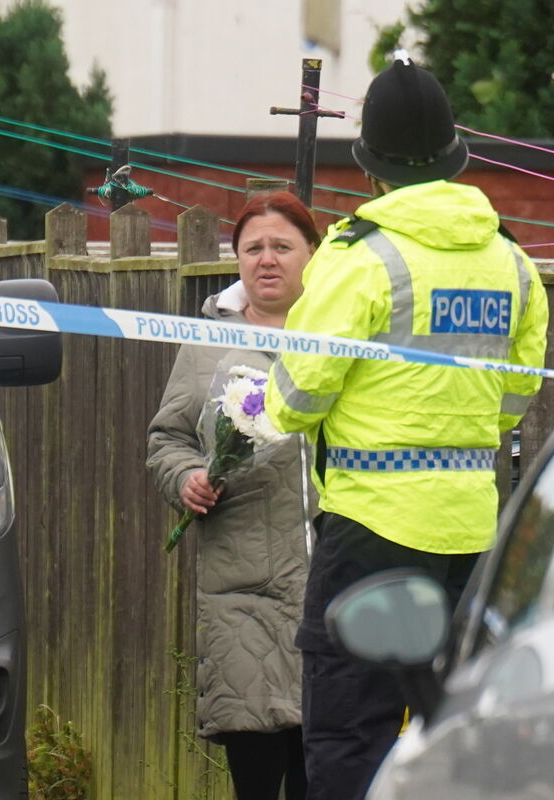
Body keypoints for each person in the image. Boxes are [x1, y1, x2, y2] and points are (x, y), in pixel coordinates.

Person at [265, 58, 549, 800]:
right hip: (470, 534)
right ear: (455, 157)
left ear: (371, 167)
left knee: (350, 735)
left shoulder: (360, 258)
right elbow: (515, 396)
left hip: (369, 530)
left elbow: (295, 399)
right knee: (453, 732)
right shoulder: (513, 264)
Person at [147, 190, 320, 800]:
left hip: (327, 578)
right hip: (242, 586)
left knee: (320, 763)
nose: (266, 260)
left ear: (312, 254)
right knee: (255, 761)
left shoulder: (343, 337)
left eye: (282, 246)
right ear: (238, 260)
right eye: (253, 248)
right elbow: (168, 437)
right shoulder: (206, 342)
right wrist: (185, 478)